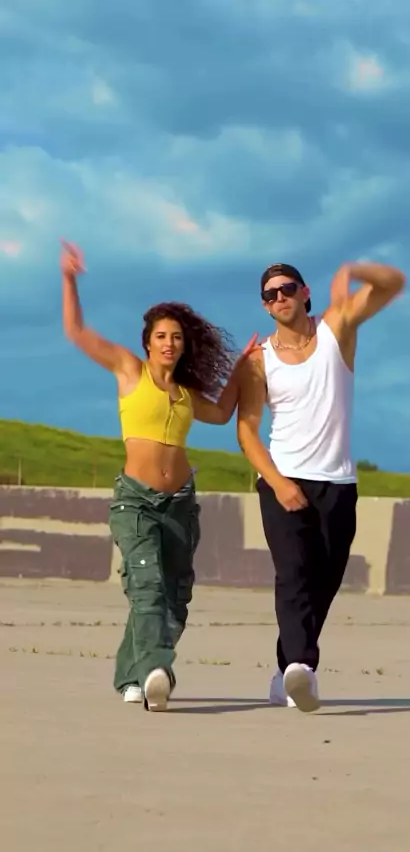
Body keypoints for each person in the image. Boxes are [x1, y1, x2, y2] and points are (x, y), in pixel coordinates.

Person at [60, 240, 257, 712]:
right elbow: (76, 331)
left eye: (177, 337)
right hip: (136, 502)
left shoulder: (187, 394)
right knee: (147, 588)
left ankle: (133, 675)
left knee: (175, 597)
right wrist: (69, 279)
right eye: (162, 336)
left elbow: (223, 412)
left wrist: (242, 369)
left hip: (180, 504)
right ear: (147, 342)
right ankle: (156, 672)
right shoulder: (130, 370)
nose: (170, 343)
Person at [236, 260, 405, 712]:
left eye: (287, 288)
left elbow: (394, 284)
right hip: (283, 480)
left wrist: (353, 268)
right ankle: (302, 668)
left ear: (304, 292)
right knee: (293, 574)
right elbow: (247, 431)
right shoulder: (259, 360)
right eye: (270, 294)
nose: (279, 297)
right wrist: (277, 482)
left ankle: (284, 674)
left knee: (322, 584)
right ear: (264, 306)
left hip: (338, 482)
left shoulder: (337, 328)